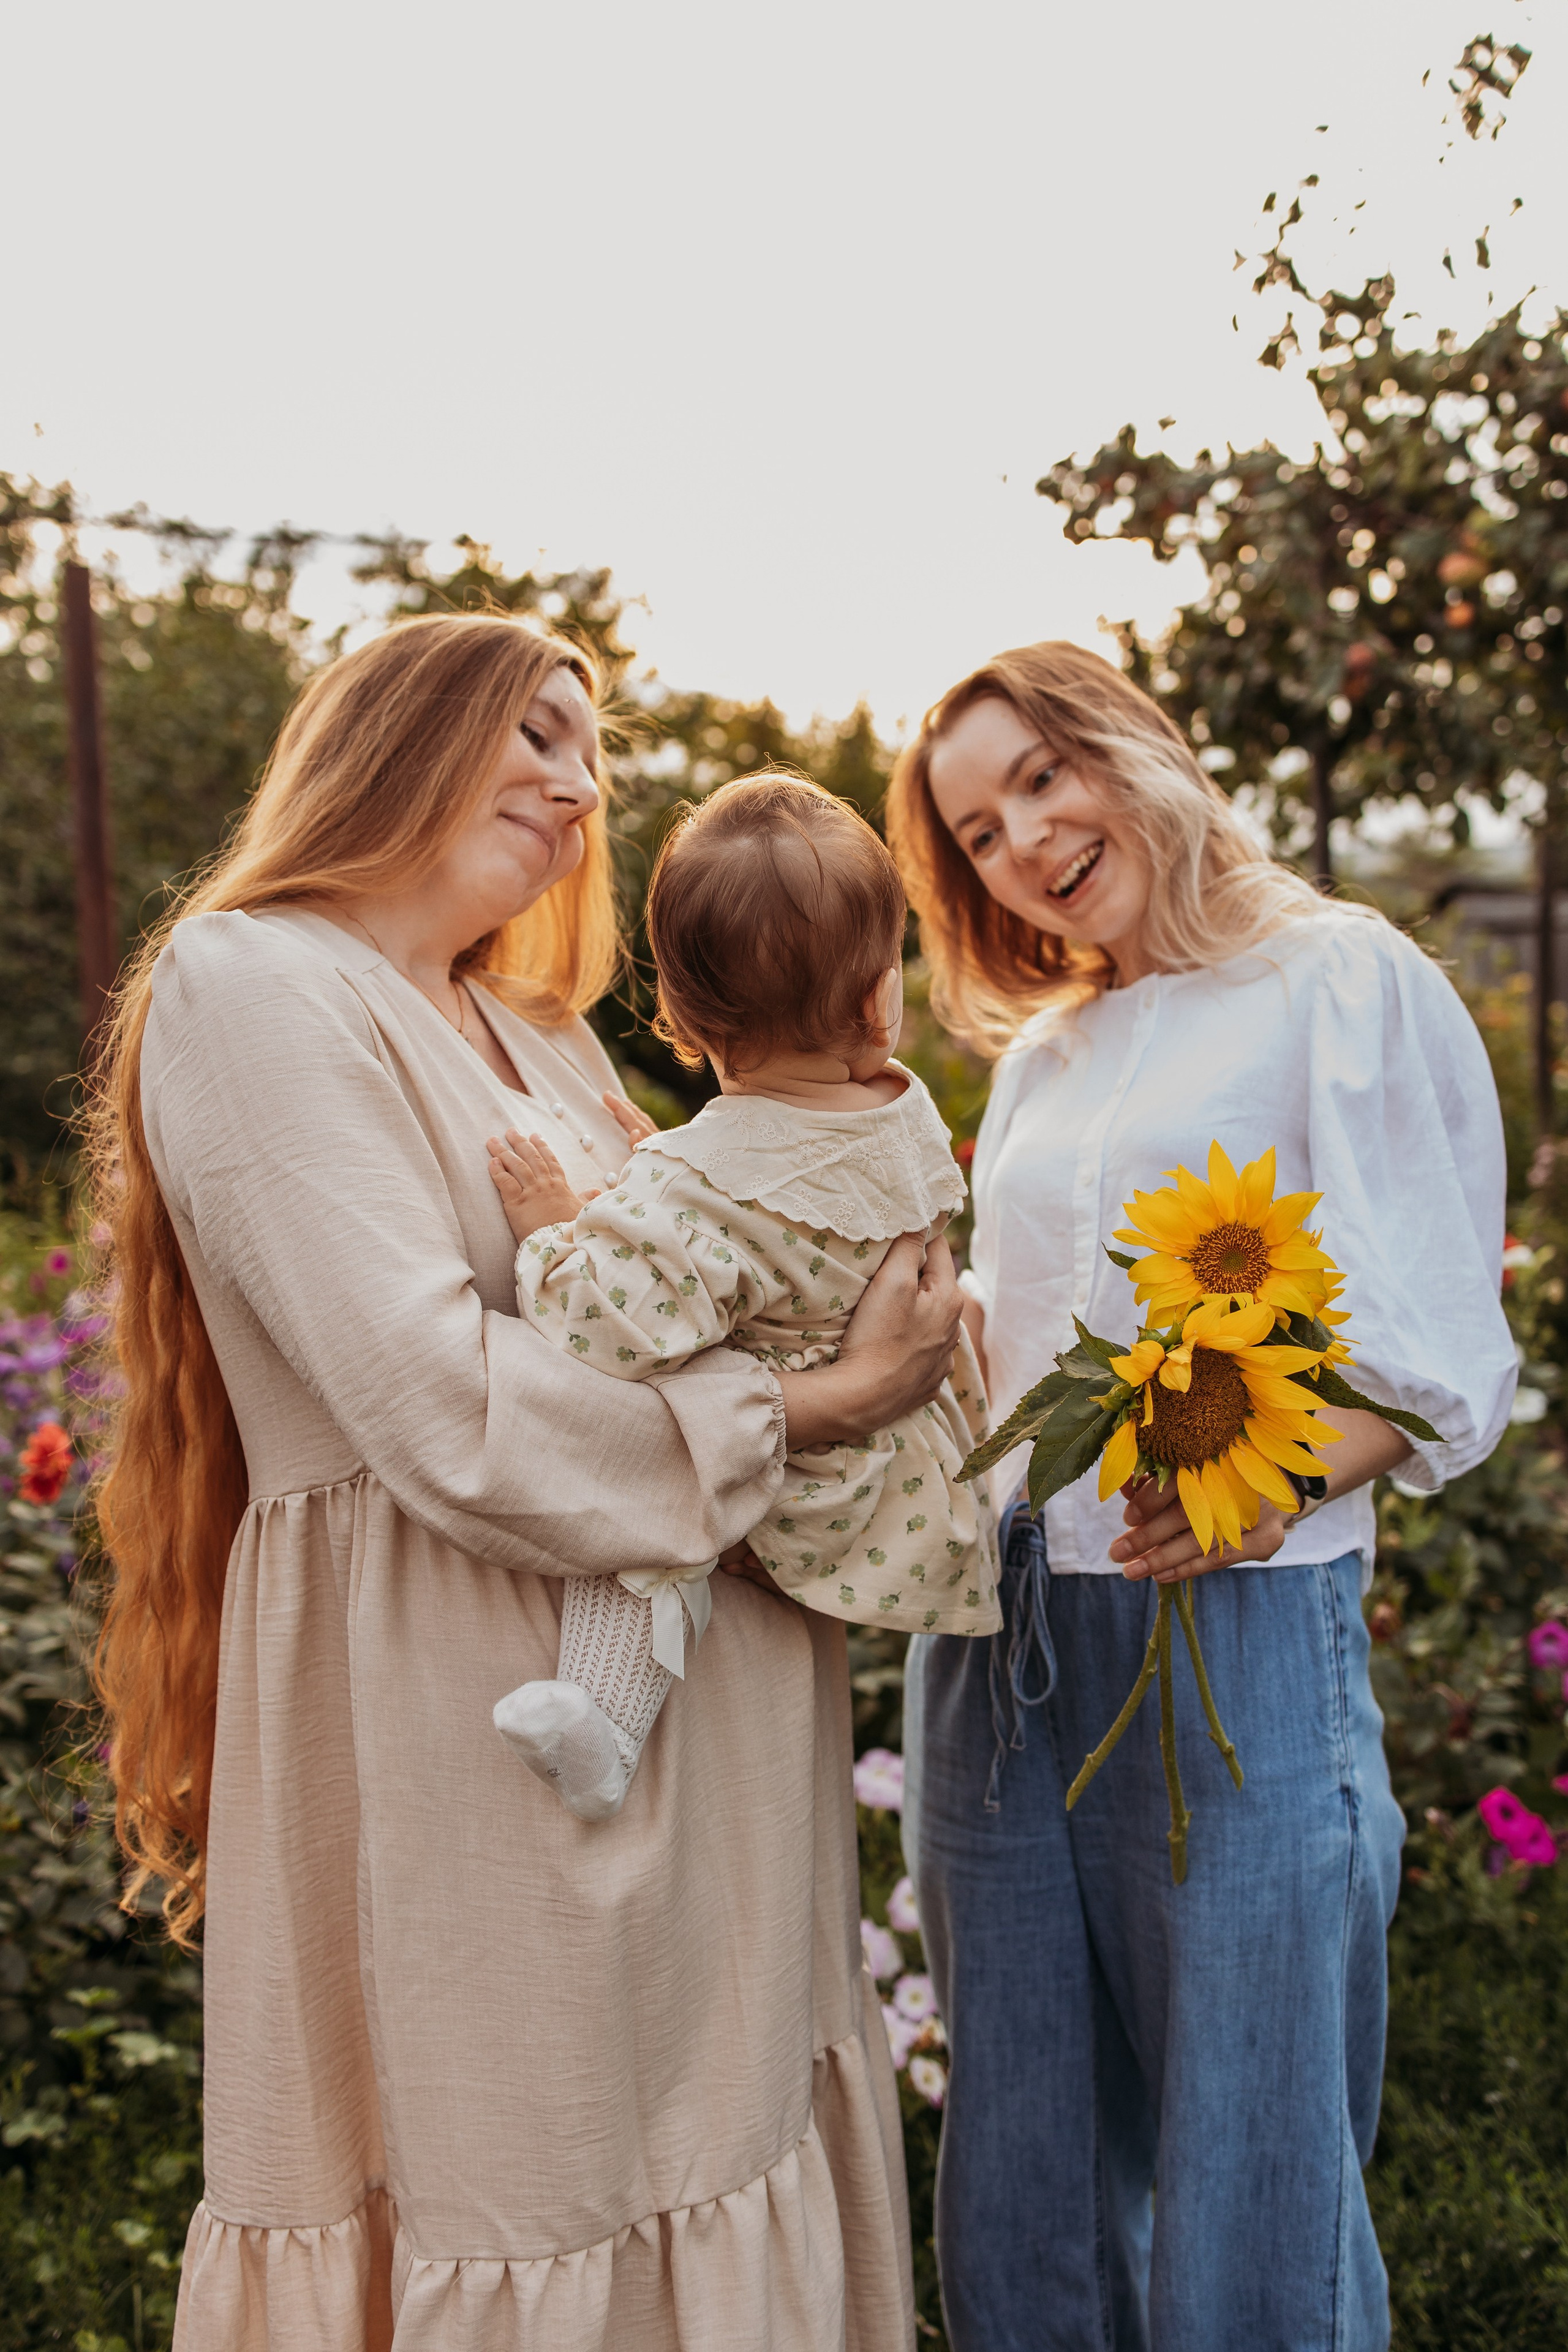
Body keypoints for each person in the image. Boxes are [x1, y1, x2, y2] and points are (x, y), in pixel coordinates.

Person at [90, 613, 955, 2351]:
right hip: (475, 1719)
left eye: (590, 757)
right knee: (533, 2178)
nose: (577, 789)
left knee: (718, 2153)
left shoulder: (534, 1034)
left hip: (713, 1732)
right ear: (399, 735)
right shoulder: (253, 980)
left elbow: (697, 1277)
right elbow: (436, 1401)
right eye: (537, 733)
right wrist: (824, 1402)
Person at [884, 641, 1516, 2352]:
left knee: (1250, 2158)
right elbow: (1017, 1345)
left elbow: (1446, 1347)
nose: (1021, 841)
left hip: (1224, 1623)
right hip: (997, 1641)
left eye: (1038, 779)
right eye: (977, 831)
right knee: (1022, 2160)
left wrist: (1263, 1482)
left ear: (1127, 749)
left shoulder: (1339, 980)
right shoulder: (1047, 1054)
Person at [485, 774, 1000, 1822]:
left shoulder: (704, 1184)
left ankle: (605, 1730)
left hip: (800, 1481)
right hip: (911, 1471)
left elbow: (605, 1329)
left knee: (644, 1497)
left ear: (676, 1012)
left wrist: (550, 1226)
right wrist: (667, 1173)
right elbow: (792, 1201)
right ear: (873, 1003)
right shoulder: (899, 1116)